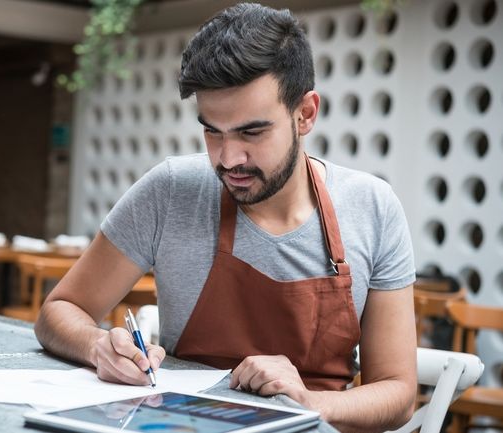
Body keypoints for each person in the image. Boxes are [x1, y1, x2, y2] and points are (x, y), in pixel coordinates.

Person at [35, 3, 416, 431]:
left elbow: (398, 392)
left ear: (305, 113)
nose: (229, 158)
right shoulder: (170, 191)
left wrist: (309, 403)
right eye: (213, 130)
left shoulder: (372, 207)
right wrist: (98, 346)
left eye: (252, 132)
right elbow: (61, 310)